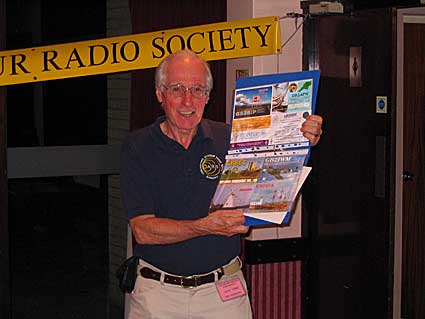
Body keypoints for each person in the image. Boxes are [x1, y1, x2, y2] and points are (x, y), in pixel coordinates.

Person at [120, 49, 323, 319]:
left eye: (197, 89)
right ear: (160, 93)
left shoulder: (231, 138)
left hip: (223, 293)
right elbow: (143, 230)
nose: (187, 100)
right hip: (158, 295)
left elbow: (271, 189)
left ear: (207, 96)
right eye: (177, 89)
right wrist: (204, 226)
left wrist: (300, 141)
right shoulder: (138, 146)